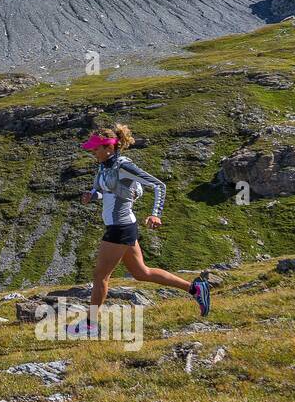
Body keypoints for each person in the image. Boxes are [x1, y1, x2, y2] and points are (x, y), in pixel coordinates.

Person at [70, 124, 210, 337]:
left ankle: (89, 325)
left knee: (100, 276)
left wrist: (156, 213)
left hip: (120, 228)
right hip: (122, 226)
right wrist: (93, 197)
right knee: (141, 273)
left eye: (95, 149)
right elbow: (110, 193)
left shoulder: (124, 166)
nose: (92, 152)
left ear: (109, 147)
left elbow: (158, 185)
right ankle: (195, 289)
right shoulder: (104, 166)